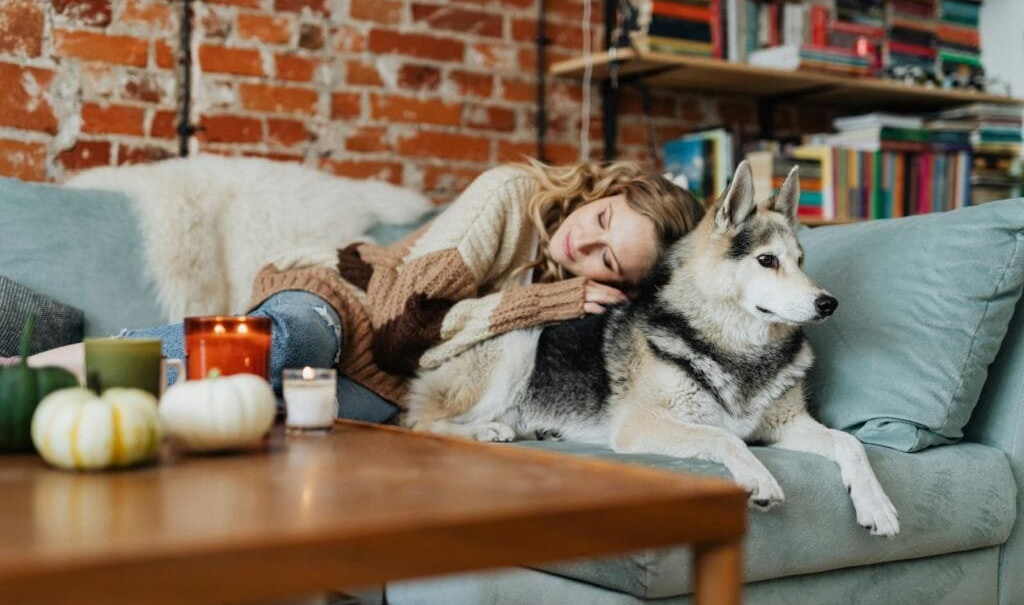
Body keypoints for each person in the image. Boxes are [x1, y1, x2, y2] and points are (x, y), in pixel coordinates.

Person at [29, 159, 704, 424]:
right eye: (603, 220)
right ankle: (61, 370)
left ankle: (99, 405)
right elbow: (401, 324)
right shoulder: (515, 192)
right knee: (296, 340)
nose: (584, 246)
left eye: (608, 261)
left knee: (294, 421)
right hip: (339, 296)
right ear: (606, 191)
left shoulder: (580, 302)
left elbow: (424, 372)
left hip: (381, 388)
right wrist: (542, 302)